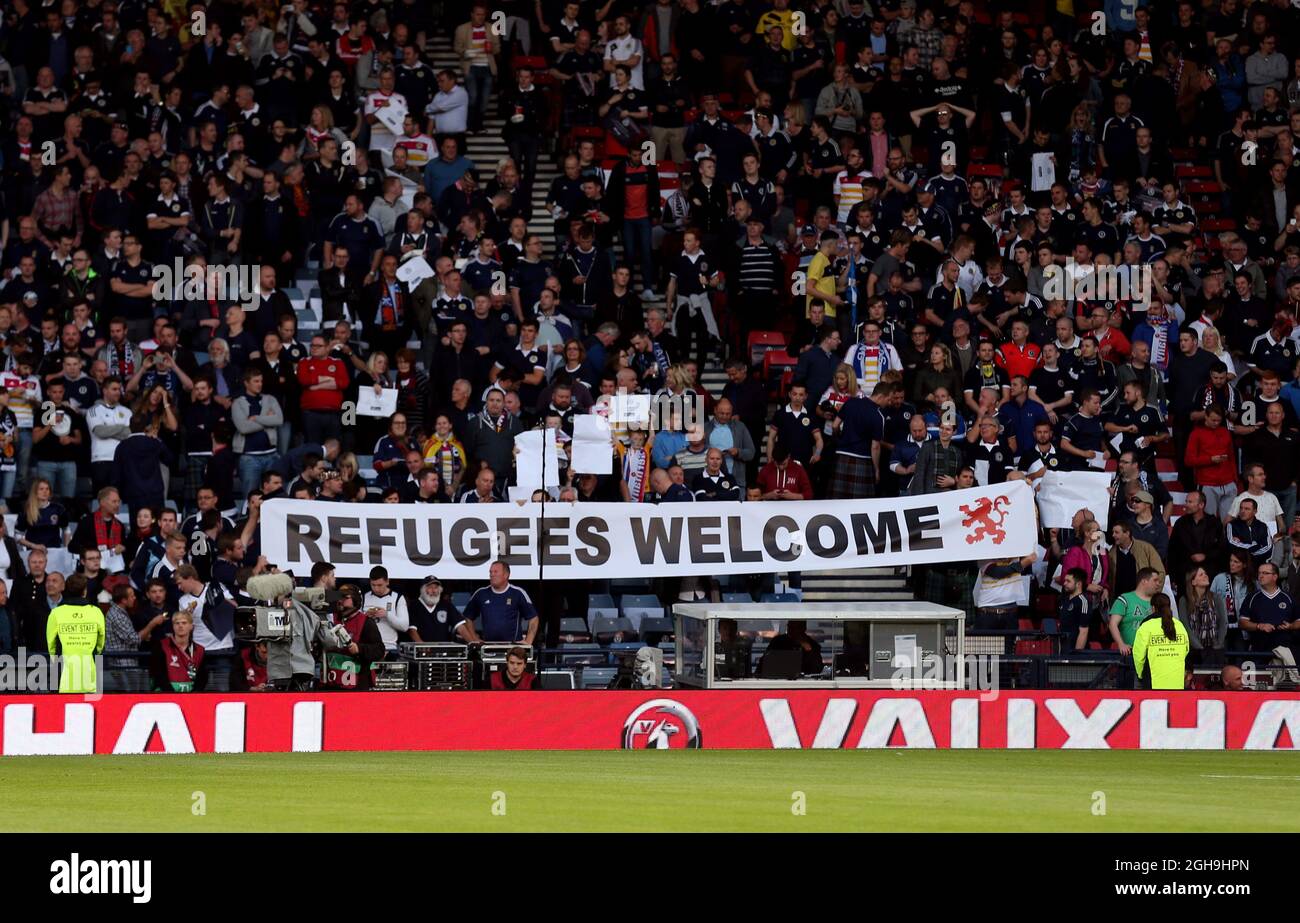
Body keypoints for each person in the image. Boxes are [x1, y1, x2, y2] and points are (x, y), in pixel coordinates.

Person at [44, 574, 105, 693]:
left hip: (63, 676)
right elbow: (100, 644)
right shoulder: (96, 612)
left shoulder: (56, 613)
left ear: (66, 589)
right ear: (85, 591)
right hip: (89, 674)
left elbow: (51, 645)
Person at [461, 560, 538, 644]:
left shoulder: (518, 593)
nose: (492, 574)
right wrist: (474, 639)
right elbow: (467, 617)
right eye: (490, 572)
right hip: (488, 647)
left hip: (512, 647)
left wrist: (528, 641)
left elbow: (534, 618)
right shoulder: (481, 593)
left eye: (495, 572)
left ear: (506, 575)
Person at [1133, 595, 1191, 691]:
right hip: (1177, 682)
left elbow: (1138, 654)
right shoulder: (1179, 625)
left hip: (1153, 683)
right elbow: (1186, 650)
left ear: (1153, 608)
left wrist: (1141, 674)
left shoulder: (1146, 626)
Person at [149, 608, 208, 692]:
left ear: (191, 626)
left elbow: (202, 677)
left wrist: (194, 695)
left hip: (191, 697)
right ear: (173, 626)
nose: (180, 626)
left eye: (184, 623)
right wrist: (172, 695)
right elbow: (158, 674)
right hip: (165, 695)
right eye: (177, 623)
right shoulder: (161, 646)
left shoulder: (199, 650)